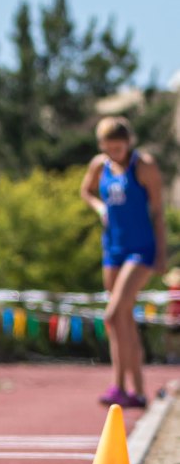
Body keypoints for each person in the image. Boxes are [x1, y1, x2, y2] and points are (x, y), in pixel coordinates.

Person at [80, 116, 167, 408]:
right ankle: (136, 391)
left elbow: (158, 211)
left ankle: (119, 385)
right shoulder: (99, 166)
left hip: (141, 250)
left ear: (129, 143)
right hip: (113, 250)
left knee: (112, 314)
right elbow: (86, 191)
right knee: (122, 320)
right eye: (108, 149)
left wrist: (162, 254)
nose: (114, 154)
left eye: (118, 148)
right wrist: (99, 207)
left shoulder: (144, 166)